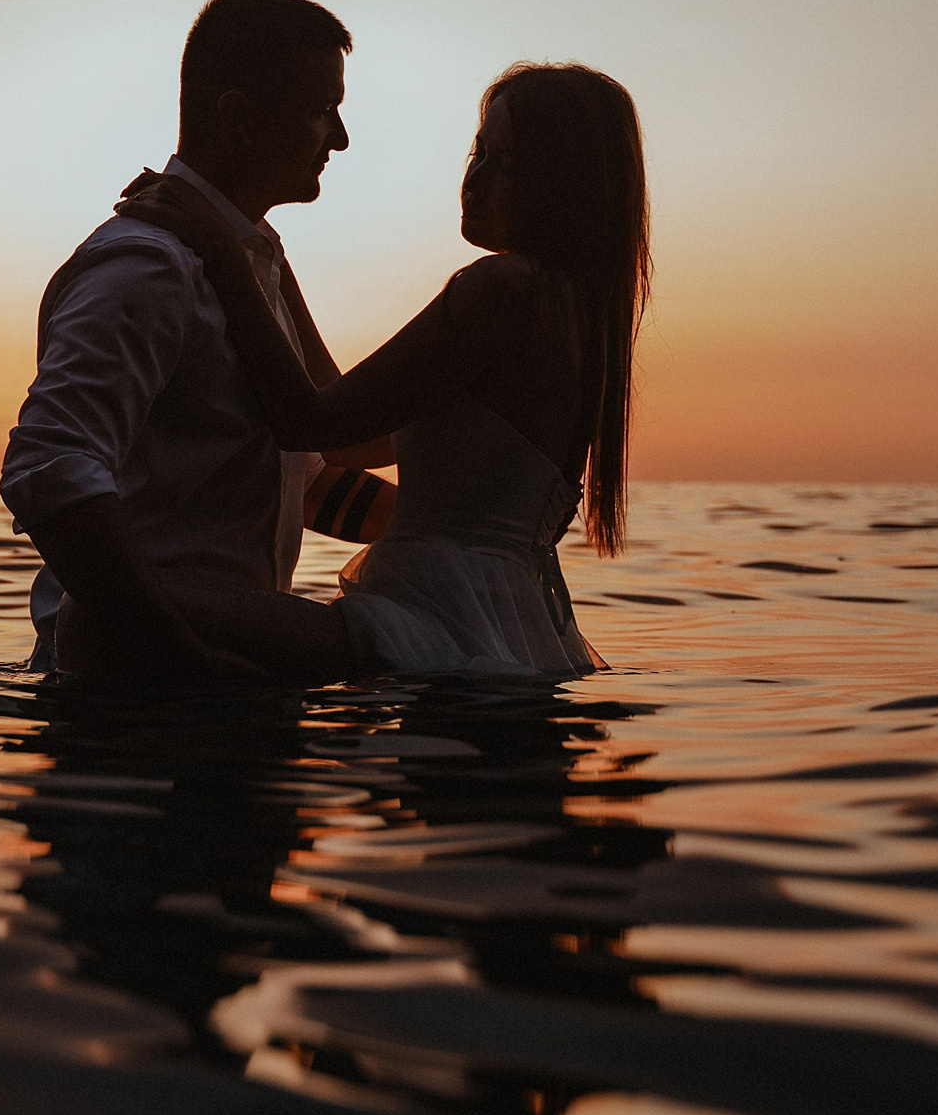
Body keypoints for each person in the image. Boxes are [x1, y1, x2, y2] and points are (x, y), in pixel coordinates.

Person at [114, 62, 649, 681]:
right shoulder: (574, 315)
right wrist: (269, 261)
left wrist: (220, 251)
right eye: (478, 150)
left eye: (507, 166)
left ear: (561, 189)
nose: (475, 179)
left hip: (436, 620)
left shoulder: (502, 290)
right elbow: (350, 442)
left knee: (106, 604)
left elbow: (305, 422)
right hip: (504, 623)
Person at [0, 0, 397, 679]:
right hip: (131, 705)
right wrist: (179, 655)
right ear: (239, 118)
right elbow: (49, 468)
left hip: (223, 678)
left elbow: (302, 482)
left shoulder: (253, 263)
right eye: (319, 109)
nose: (340, 137)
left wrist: (454, 539)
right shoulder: (147, 266)